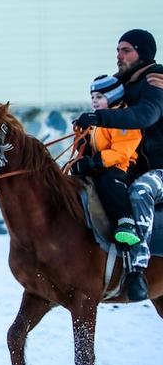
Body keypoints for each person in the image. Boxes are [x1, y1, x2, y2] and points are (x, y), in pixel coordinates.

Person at [74, 29, 163, 300]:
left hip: (159, 170)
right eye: (117, 50)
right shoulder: (122, 83)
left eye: (126, 50)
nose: (119, 56)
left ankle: (136, 270)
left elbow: (147, 115)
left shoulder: (154, 81)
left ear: (143, 53)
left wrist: (102, 118)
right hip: (132, 163)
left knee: (141, 191)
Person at [70, 75, 142, 246]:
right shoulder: (97, 120)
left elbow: (121, 152)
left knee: (110, 181)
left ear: (114, 97)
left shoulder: (122, 119)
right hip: (102, 165)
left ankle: (125, 222)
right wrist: (82, 141)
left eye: (100, 97)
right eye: (92, 97)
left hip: (123, 166)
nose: (94, 101)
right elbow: (92, 145)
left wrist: (94, 162)